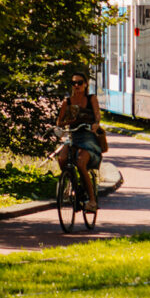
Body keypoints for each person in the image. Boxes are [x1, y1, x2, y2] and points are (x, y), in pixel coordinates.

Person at [56, 71, 102, 209]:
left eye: (79, 82)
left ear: (85, 84)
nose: (76, 85)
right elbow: (59, 121)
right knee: (62, 158)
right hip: (73, 135)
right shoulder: (67, 101)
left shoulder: (91, 99)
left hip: (88, 136)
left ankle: (92, 200)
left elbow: (97, 115)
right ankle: (70, 180)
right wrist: (67, 123)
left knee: (81, 163)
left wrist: (95, 124)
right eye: (74, 83)